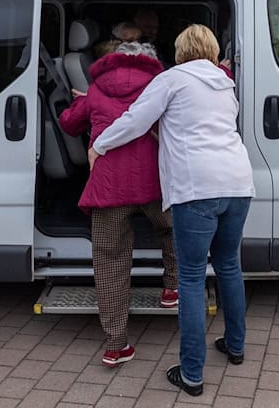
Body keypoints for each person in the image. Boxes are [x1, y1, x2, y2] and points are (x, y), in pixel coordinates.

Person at [88, 24, 255, 396]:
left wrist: (100, 143)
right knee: (229, 265)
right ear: (211, 52)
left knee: (192, 278)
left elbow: (135, 120)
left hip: (197, 187)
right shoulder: (224, 83)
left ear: (180, 51)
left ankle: (192, 373)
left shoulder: (171, 79)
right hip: (238, 184)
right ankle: (236, 346)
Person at [58, 41, 179, 368]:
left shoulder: (96, 89)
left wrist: (80, 104)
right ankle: (171, 289)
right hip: (153, 182)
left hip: (108, 188)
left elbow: (69, 124)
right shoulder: (161, 86)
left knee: (110, 263)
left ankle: (116, 345)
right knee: (173, 229)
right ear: (149, 61)